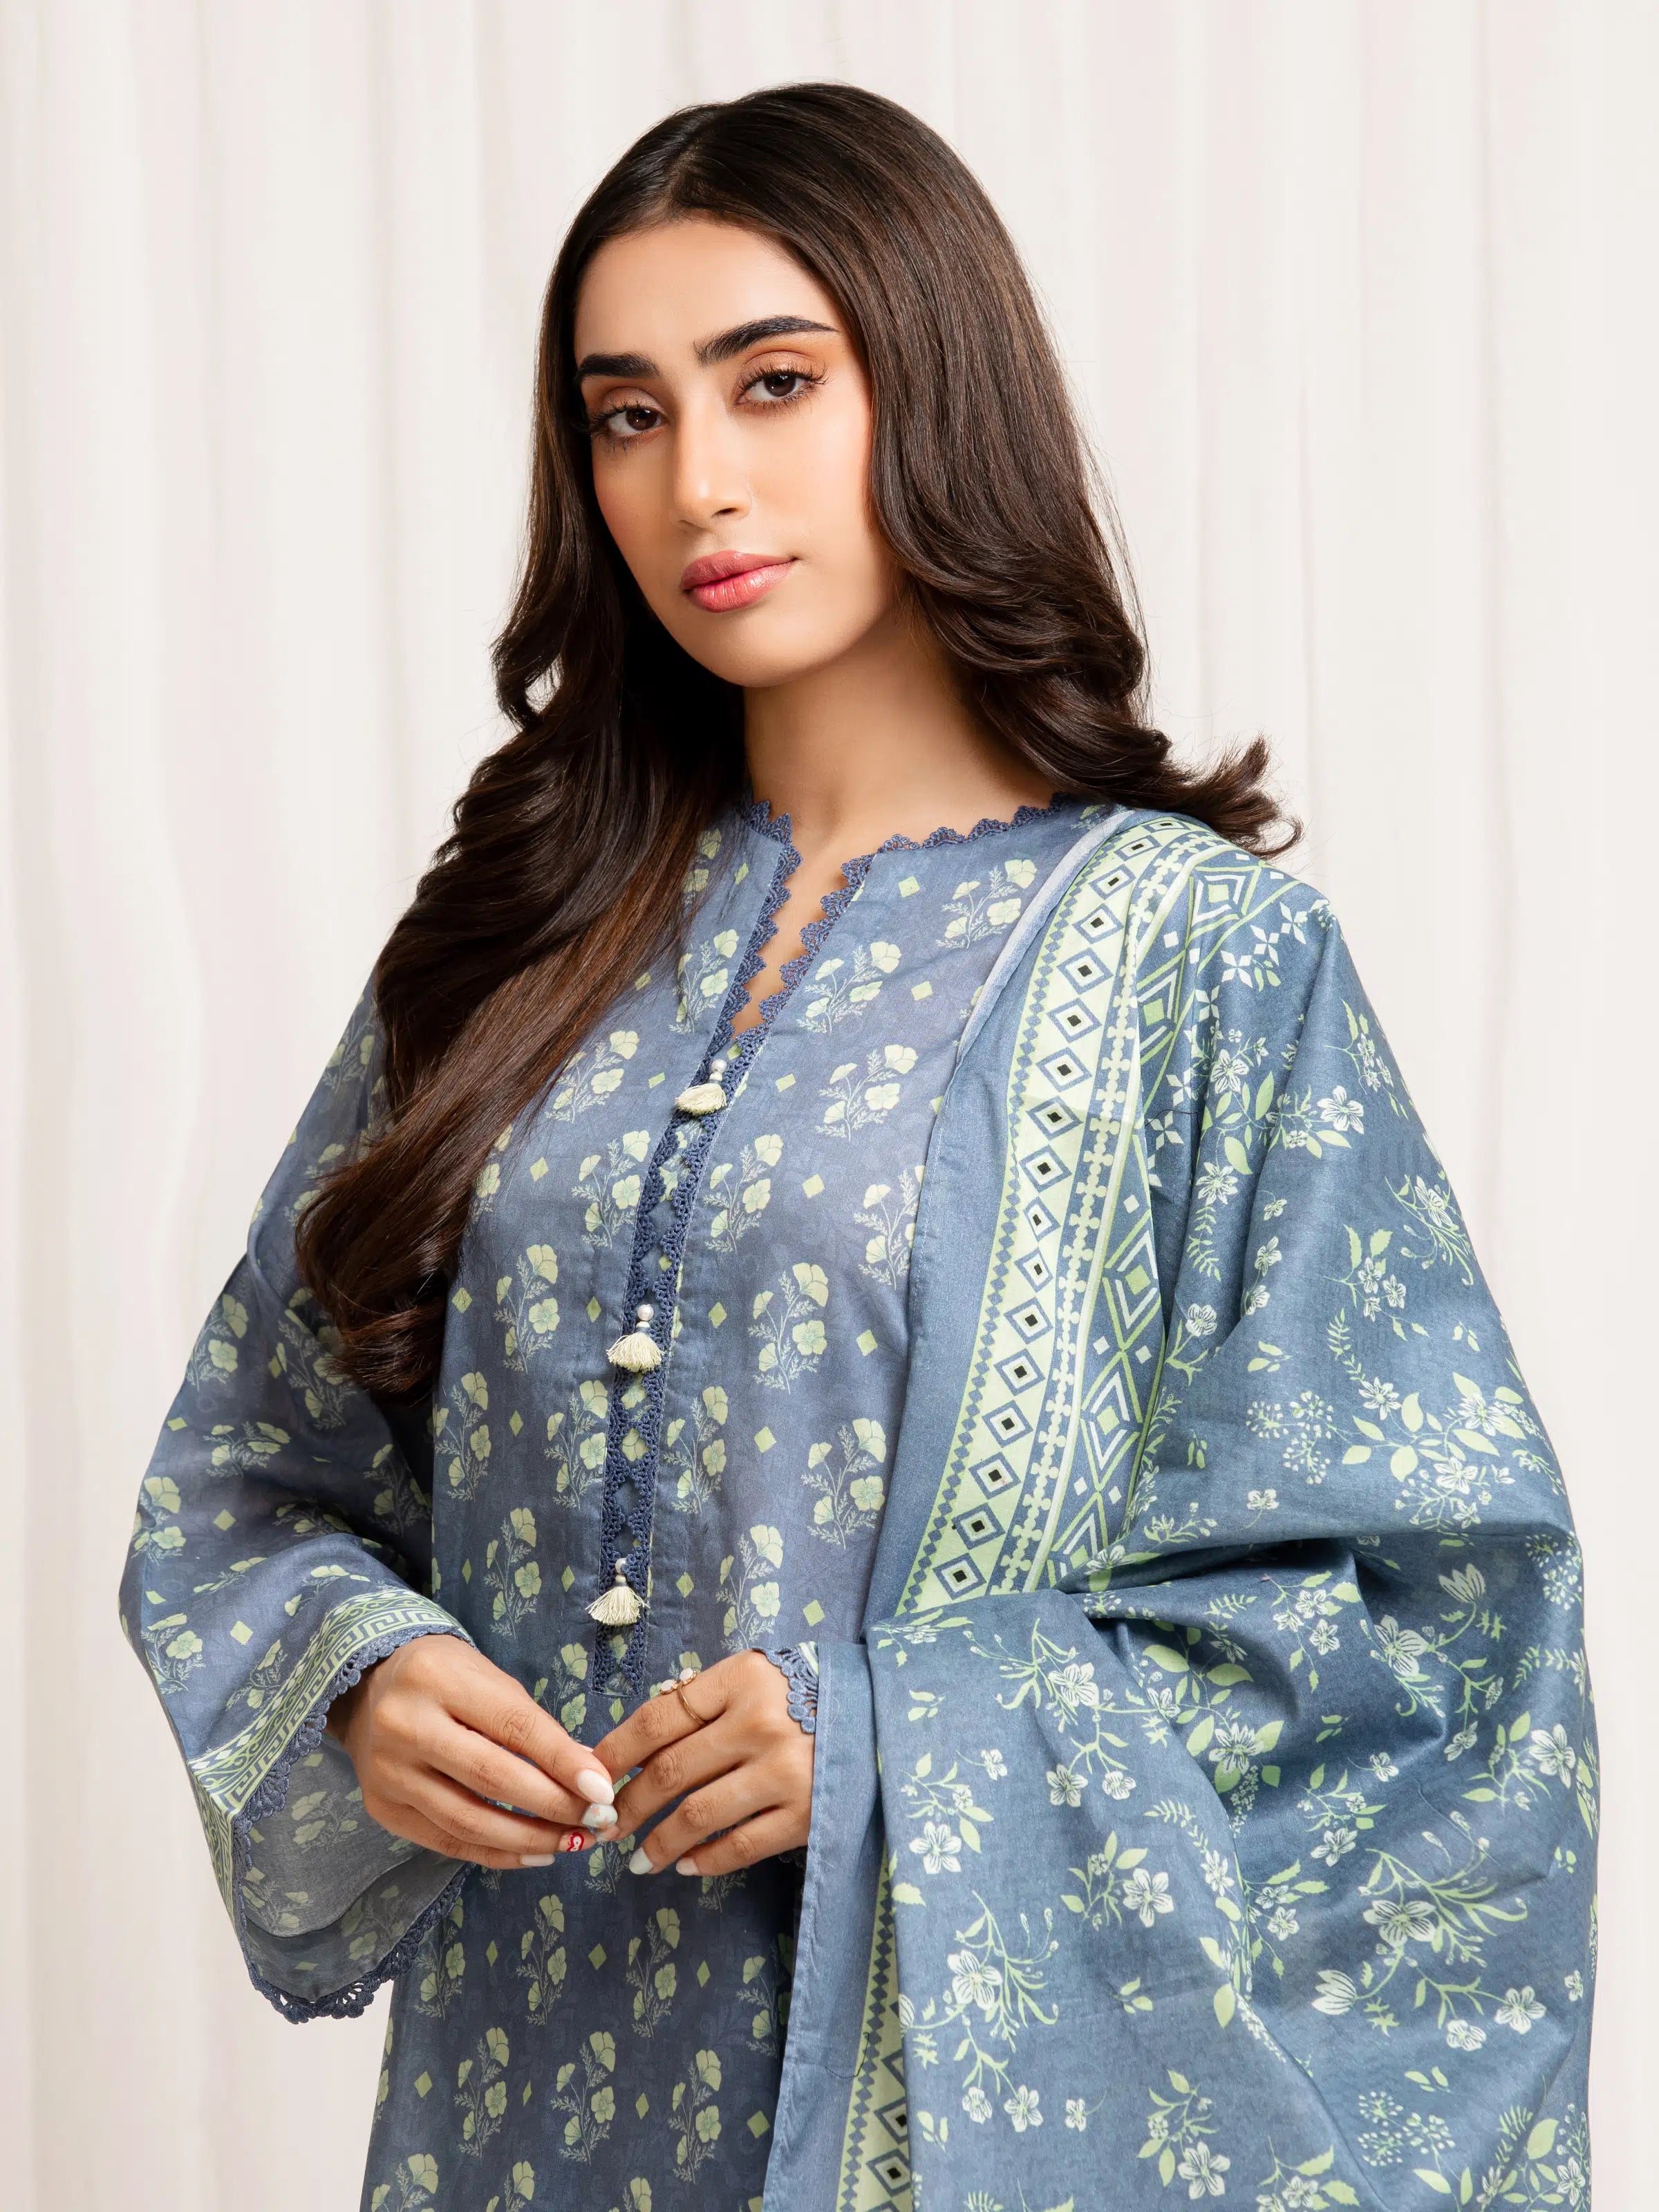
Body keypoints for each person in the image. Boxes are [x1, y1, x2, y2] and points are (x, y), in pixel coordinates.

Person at [121, 82, 1595, 2212]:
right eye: (627, 417)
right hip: (513, 2111)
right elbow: (248, 1472)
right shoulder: (513, 947)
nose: (698, 483)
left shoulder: (1201, 962)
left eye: (776, 383)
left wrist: (906, 1740)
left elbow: (1431, 1634)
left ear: (937, 383)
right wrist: (357, 1678)